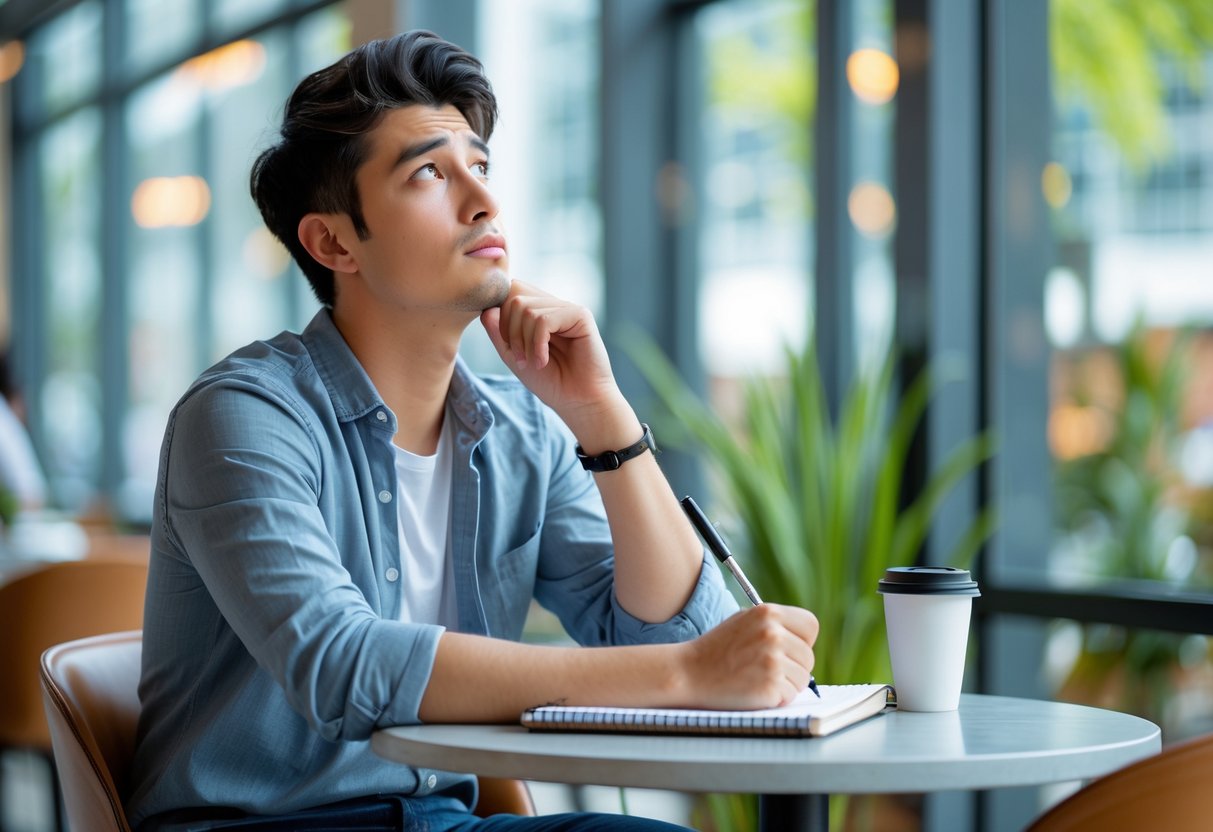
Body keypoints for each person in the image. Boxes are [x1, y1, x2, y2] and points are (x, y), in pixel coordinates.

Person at [126, 30, 818, 831]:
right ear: (333, 241)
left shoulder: (521, 426)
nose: (482, 199)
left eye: (479, 167)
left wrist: (601, 415)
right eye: (428, 172)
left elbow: (667, 631)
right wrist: (685, 671)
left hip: (442, 820)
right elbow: (340, 666)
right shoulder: (243, 415)